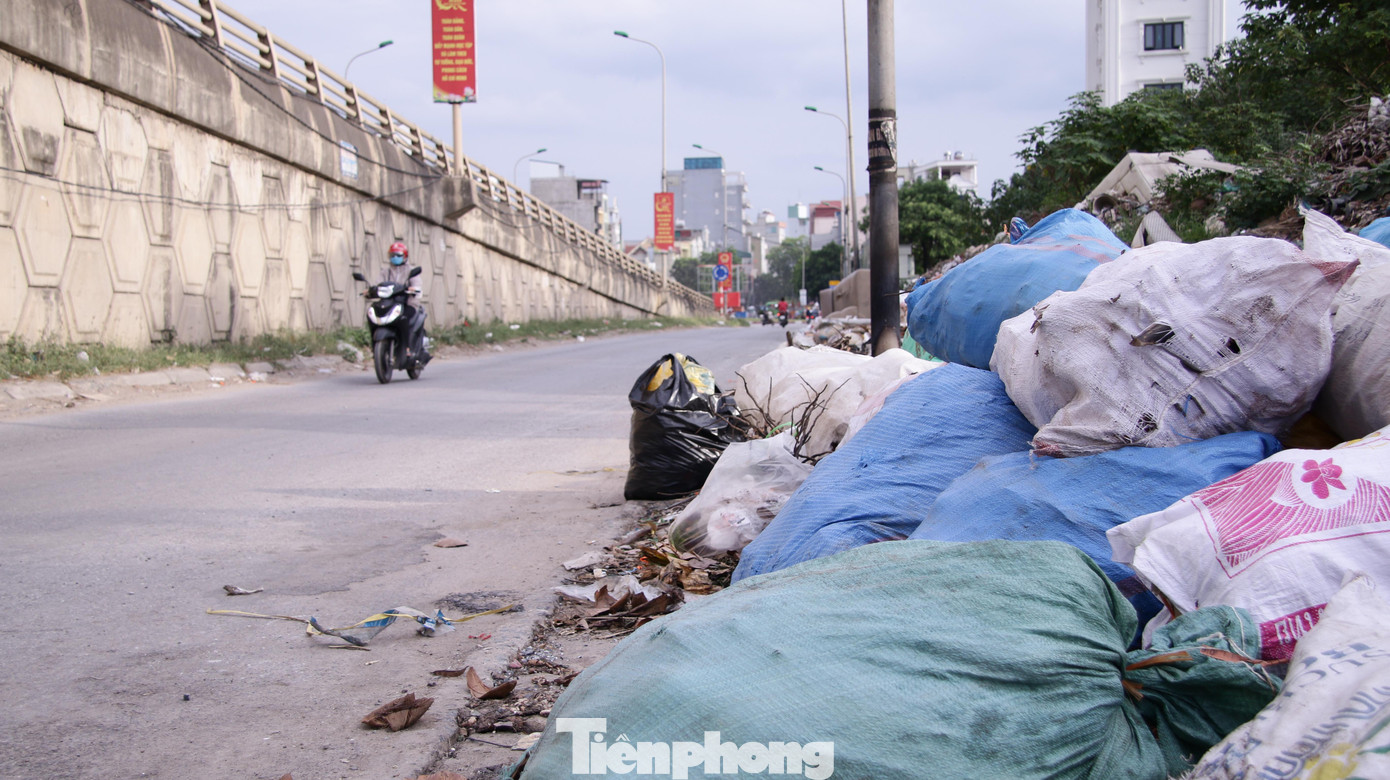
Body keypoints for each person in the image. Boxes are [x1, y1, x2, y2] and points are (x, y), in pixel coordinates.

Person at [372, 241, 430, 364]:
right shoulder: (385, 272)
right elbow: (378, 284)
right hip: (390, 304)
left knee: (404, 319)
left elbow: (417, 284)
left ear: (405, 256)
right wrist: (371, 290)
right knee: (373, 313)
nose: (395, 258)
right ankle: (376, 347)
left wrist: (413, 289)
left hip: (407, 304)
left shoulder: (410, 271)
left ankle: (408, 348)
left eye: (398, 255)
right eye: (393, 255)